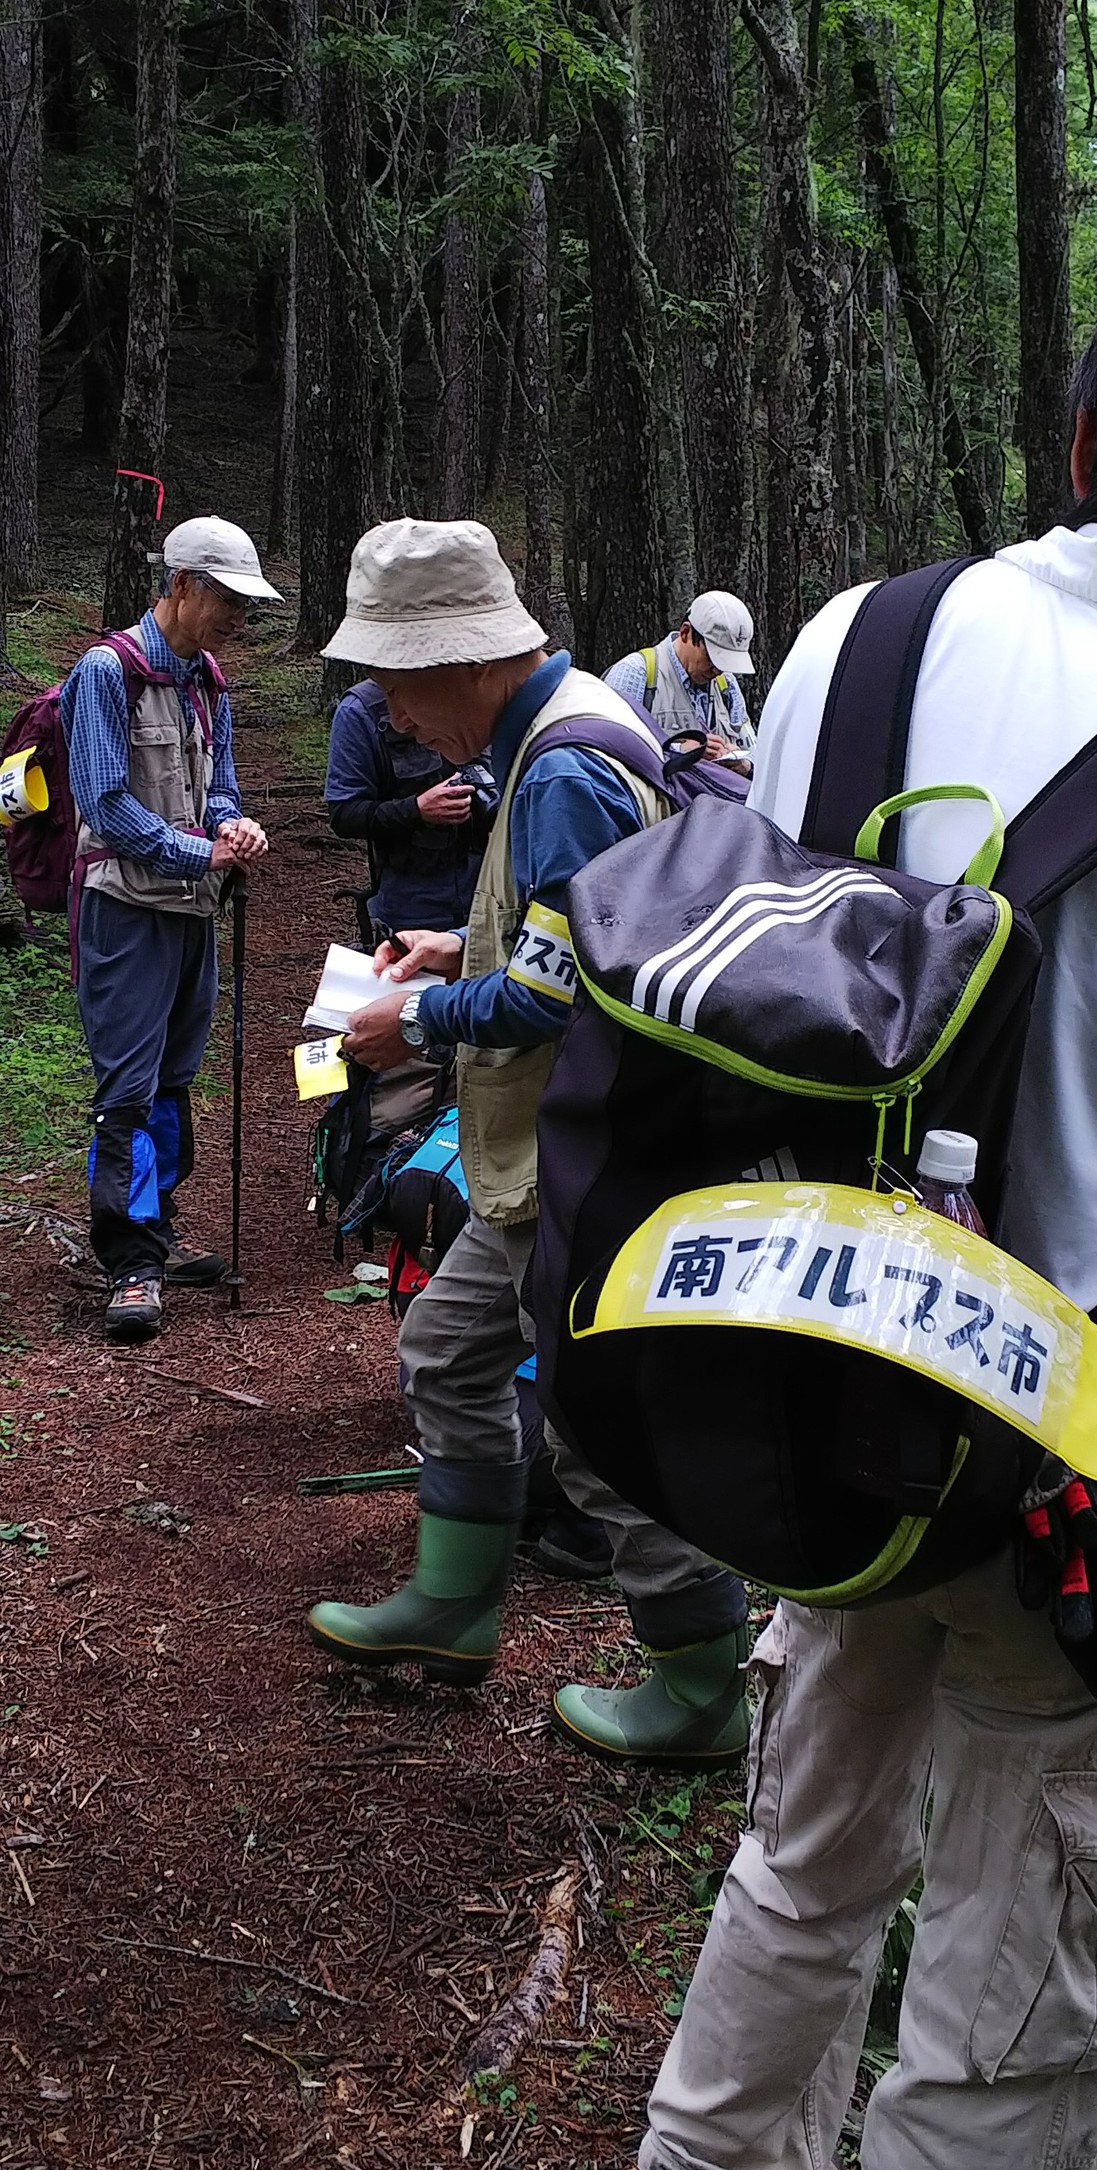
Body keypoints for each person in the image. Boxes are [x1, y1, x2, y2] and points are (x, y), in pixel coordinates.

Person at [610, 237, 1097, 2170]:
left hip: (808, 1370)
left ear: (1078, 441)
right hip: (1078, 1452)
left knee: (812, 1823)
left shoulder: (847, 637)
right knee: (1028, 1986)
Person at [305, 519, 750, 1764]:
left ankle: (703, 1685)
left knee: (597, 1425)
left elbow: (556, 995)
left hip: (578, 1154)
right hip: (548, 1153)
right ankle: (453, 1606)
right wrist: (464, 947)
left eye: (396, 679)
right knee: (449, 1353)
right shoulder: (567, 727)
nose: (391, 713)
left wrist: (421, 1017)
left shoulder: (556, 768)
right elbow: (581, 936)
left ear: (463, 662)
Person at [64, 515, 276, 1344]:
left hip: (191, 908)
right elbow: (104, 802)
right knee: (126, 1088)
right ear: (182, 584)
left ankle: (159, 1226)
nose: (237, 617)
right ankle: (129, 1263)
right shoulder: (105, 672)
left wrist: (235, 827)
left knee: (175, 1079)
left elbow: (218, 785)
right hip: (124, 910)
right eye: (228, 598)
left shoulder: (207, 677)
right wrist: (198, 851)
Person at [324, 677, 493, 942]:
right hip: (413, 904)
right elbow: (344, 814)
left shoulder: (475, 687)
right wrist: (417, 810)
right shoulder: (362, 710)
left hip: (493, 894)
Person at [604, 592, 757, 769]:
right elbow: (609, 748)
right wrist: (679, 751)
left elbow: (753, 748)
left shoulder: (726, 684)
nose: (718, 670)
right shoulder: (636, 673)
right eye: (713, 658)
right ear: (685, 633)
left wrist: (745, 764)